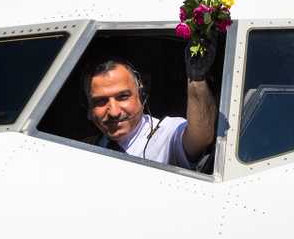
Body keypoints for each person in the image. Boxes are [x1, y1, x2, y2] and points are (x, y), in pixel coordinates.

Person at [85, 37, 220, 170]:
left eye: (123, 97)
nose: (114, 112)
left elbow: (201, 136)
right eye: (100, 101)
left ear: (142, 95)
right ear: (89, 110)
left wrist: (197, 79)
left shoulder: (167, 133)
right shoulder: (86, 147)